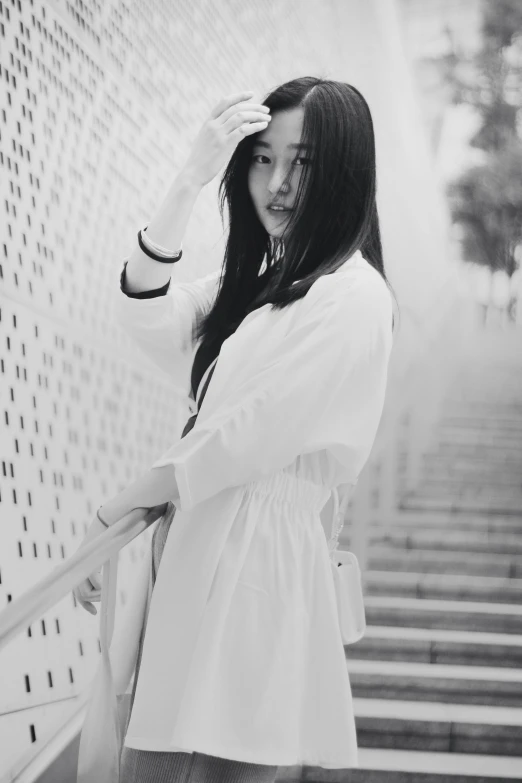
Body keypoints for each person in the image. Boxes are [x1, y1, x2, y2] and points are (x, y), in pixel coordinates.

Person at [73, 78, 398, 782]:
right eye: (262, 158)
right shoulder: (260, 283)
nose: (278, 183)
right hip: (204, 539)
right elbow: (145, 315)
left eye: (303, 162)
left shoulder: (355, 295)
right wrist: (191, 175)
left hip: (259, 558)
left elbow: (257, 429)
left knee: (205, 760)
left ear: (343, 171)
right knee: (156, 758)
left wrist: (132, 494)